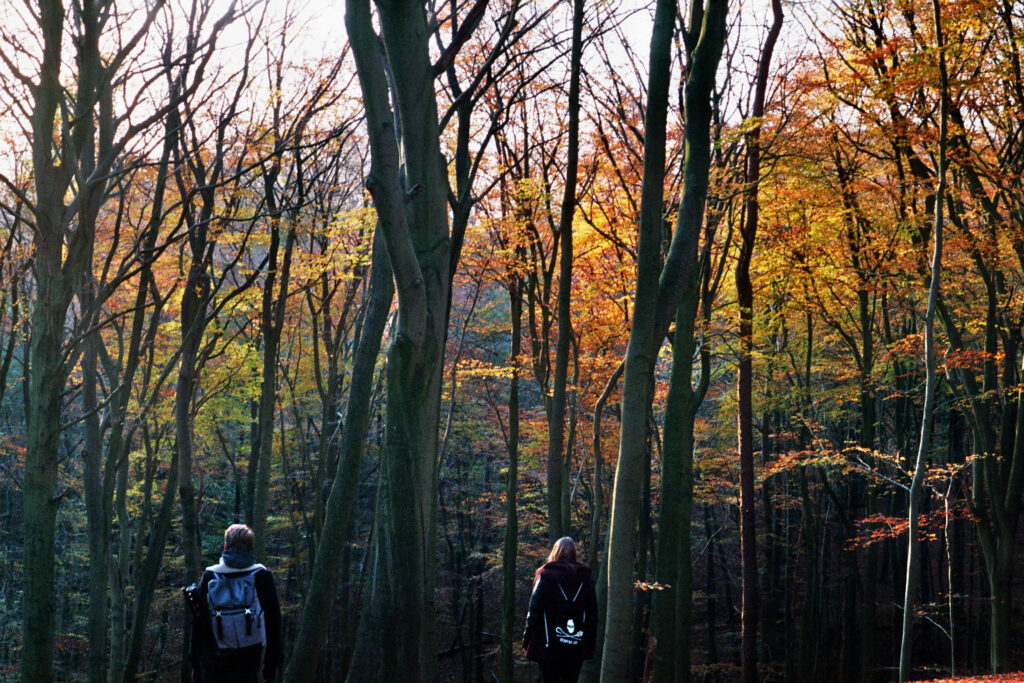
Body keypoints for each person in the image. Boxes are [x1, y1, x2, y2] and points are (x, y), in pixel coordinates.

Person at [190, 524, 282, 683]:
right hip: (249, 658)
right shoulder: (262, 575)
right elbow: (274, 621)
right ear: (250, 548)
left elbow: (199, 624)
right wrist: (271, 662)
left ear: (225, 546)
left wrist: (195, 664)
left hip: (214, 660)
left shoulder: (210, 576)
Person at [523, 537, 598, 683]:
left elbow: (534, 611)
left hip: (548, 644)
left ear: (555, 552)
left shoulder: (545, 575)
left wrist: (527, 640)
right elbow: (592, 615)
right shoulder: (586, 577)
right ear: (574, 553)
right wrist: (590, 644)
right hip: (576, 644)